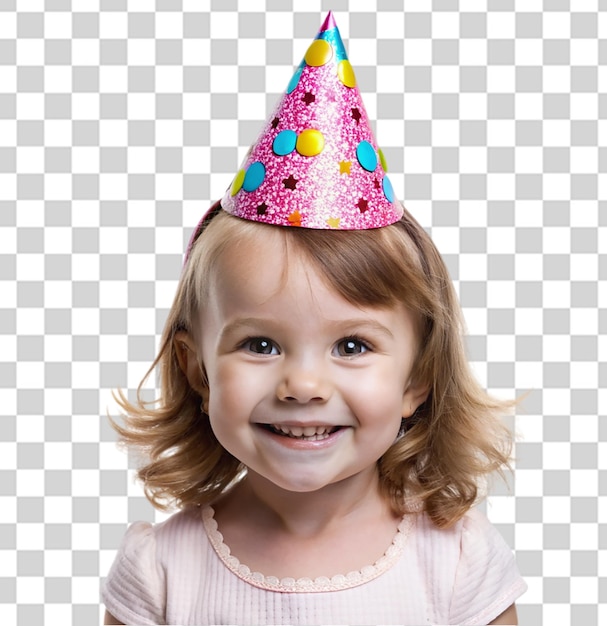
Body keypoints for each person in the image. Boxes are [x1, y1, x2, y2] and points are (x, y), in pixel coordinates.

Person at [102, 12, 526, 625]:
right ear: (196, 370)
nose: (303, 385)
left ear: (417, 379)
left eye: (352, 346)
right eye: (261, 344)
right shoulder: (161, 571)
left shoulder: (458, 560)